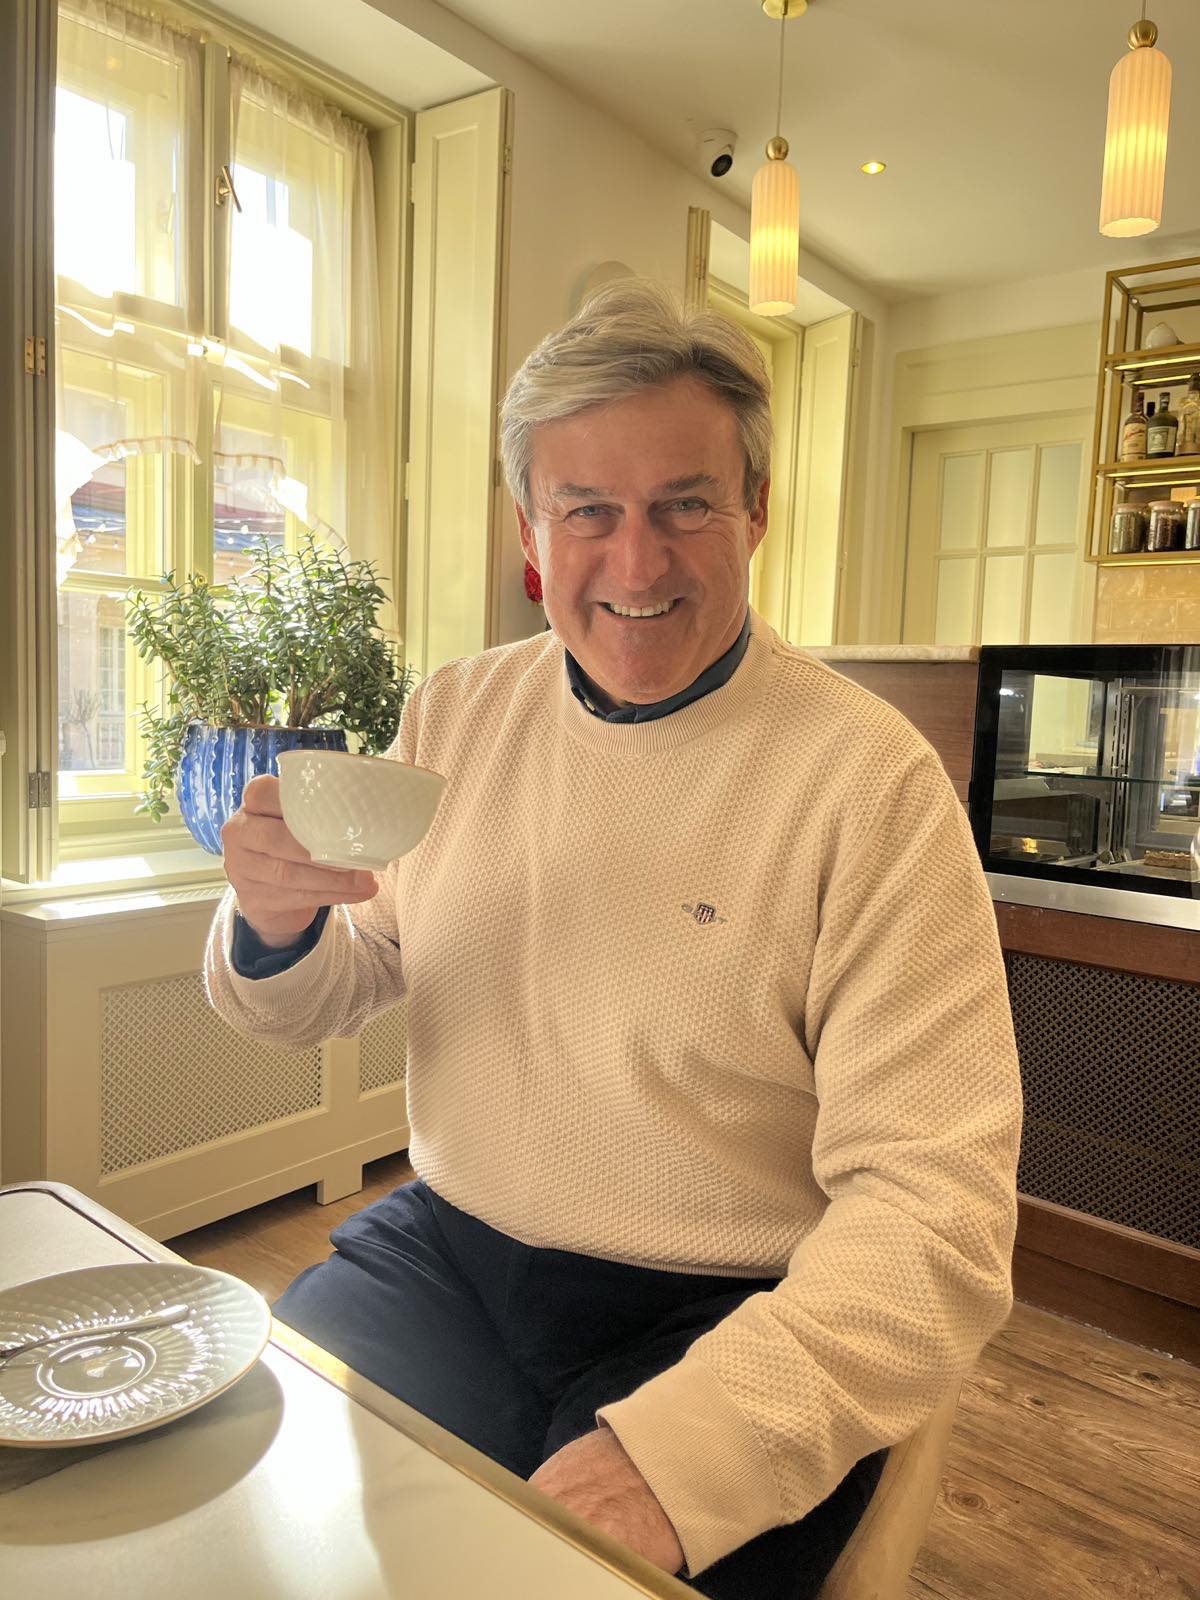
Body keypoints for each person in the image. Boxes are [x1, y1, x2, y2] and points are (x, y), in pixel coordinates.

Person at [205, 280, 1022, 1600]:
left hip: (726, 1309)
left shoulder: (870, 785)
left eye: (685, 505)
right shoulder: (458, 713)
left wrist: (689, 1456)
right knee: (244, 1520)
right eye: (587, 511)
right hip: (446, 1257)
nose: (637, 566)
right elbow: (348, 979)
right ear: (531, 527)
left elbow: (938, 1214)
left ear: (757, 509)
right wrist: (276, 921)